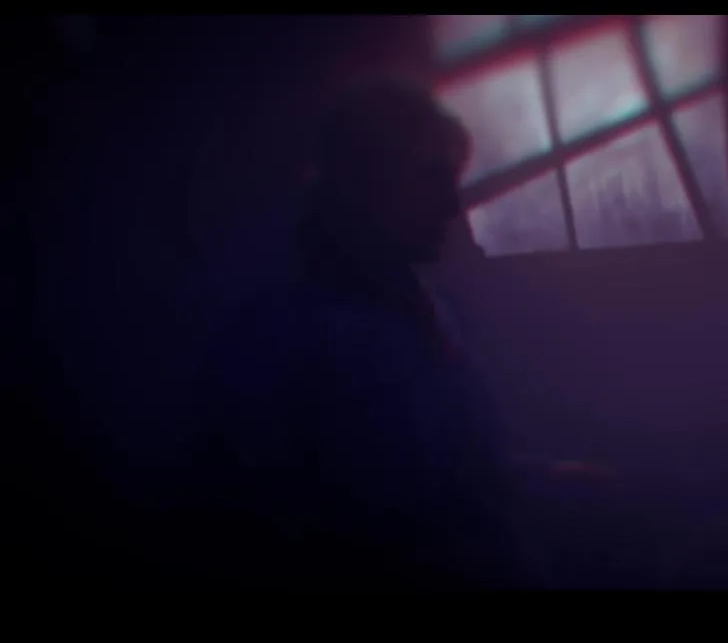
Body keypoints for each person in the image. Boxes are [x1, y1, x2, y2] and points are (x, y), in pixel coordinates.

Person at [180, 77, 525, 591]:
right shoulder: (283, 339)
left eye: (450, 180)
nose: (453, 206)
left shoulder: (428, 311)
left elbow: (463, 473)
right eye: (429, 179)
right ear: (362, 183)